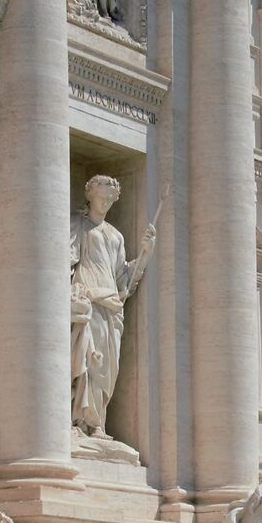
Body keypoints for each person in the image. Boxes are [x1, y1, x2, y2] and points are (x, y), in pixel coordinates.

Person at [68, 175, 153, 436]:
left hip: (112, 306)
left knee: (107, 368)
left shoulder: (115, 235)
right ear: (90, 195)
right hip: (90, 299)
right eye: (100, 197)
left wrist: (145, 253)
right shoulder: (78, 225)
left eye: (109, 198)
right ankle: (82, 421)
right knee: (89, 361)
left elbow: (123, 279)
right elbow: (67, 260)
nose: (105, 202)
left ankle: (98, 423)